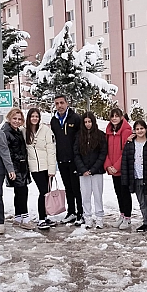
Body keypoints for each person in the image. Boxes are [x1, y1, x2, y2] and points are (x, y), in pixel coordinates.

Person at [50, 95, 84, 225]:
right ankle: (71, 212)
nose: (60, 105)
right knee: (68, 188)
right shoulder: (54, 120)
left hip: (74, 159)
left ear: (67, 103)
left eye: (62, 103)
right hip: (61, 159)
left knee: (76, 188)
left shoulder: (75, 118)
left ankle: (81, 213)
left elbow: (81, 137)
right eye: (57, 103)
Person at [121, 120, 147, 232]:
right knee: (141, 201)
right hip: (136, 177)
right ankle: (145, 221)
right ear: (134, 131)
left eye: (141, 128)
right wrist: (126, 179)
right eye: (137, 129)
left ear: (146, 129)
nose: (140, 131)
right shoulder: (130, 144)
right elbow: (125, 162)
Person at [74, 111, 108, 229]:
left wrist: (93, 169)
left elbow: (103, 154)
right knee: (85, 195)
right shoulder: (79, 136)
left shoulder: (100, 135)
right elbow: (76, 154)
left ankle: (99, 217)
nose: (88, 124)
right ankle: (87, 217)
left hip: (96, 171)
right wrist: (83, 169)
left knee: (98, 195)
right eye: (85, 122)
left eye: (89, 122)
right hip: (83, 172)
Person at [25, 108, 57, 230]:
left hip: (47, 167)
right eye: (32, 116)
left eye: (36, 116)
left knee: (47, 193)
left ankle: (45, 216)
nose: (34, 118)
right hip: (35, 168)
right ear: (29, 118)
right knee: (43, 192)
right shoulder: (24, 131)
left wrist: (52, 169)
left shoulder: (46, 130)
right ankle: (41, 219)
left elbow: (51, 150)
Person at [2, 108, 34, 230]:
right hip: (15, 167)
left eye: (19, 119)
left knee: (19, 192)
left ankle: (18, 217)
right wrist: (12, 169)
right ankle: (25, 219)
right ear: (9, 118)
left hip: (21, 166)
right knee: (22, 192)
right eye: (14, 118)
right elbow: (7, 153)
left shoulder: (17, 131)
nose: (17, 121)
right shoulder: (6, 132)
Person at [104, 108, 134, 230]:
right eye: (112, 116)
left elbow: (125, 151)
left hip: (123, 168)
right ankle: (122, 214)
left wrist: (116, 166)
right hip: (112, 169)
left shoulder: (126, 131)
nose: (114, 118)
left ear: (121, 117)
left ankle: (127, 217)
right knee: (118, 193)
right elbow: (105, 150)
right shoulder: (109, 131)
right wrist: (108, 165)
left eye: (117, 116)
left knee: (125, 193)